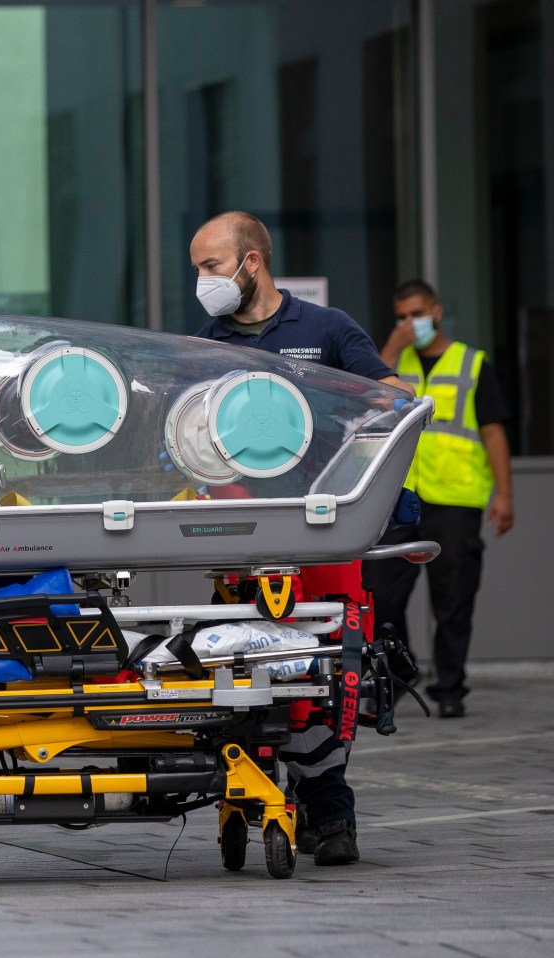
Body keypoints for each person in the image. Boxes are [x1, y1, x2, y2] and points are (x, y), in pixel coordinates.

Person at [188, 211, 411, 867]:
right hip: (242, 537)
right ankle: (268, 794)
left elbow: (393, 395)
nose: (202, 281)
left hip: (321, 530)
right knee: (251, 669)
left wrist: (339, 412)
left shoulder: (325, 329)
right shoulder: (204, 346)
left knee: (331, 669)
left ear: (250, 261)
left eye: (210, 266)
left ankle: (330, 812)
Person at [364, 280, 514, 719]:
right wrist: (390, 345)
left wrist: (505, 494)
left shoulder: (473, 363)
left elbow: (492, 431)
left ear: (438, 311)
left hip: (455, 499)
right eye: (402, 316)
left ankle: (450, 688)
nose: (411, 324)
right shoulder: (392, 363)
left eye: (417, 313)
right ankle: (400, 671)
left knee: (452, 598)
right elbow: (364, 394)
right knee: (382, 597)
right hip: (399, 497)